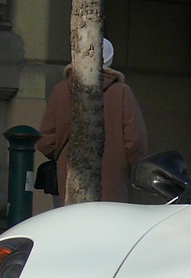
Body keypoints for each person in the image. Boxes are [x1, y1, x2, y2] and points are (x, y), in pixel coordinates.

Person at [36, 38, 148, 202]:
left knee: (74, 222)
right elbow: (135, 141)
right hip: (112, 175)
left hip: (69, 173)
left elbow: (45, 140)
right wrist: (127, 166)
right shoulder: (122, 92)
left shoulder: (61, 90)